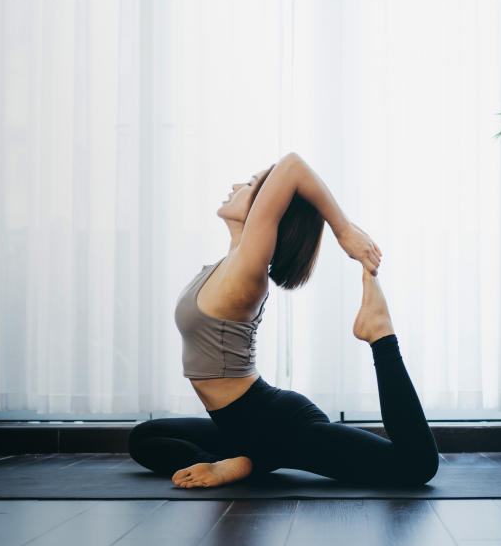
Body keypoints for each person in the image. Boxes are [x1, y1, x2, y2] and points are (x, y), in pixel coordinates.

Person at [127, 152, 439, 488]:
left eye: (249, 185)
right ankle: (252, 459)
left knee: (415, 466)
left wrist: (343, 230)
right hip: (240, 425)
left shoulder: (246, 270)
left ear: (266, 209)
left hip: (278, 425)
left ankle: (380, 332)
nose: (234, 186)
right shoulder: (228, 263)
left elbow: (293, 166)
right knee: (146, 438)